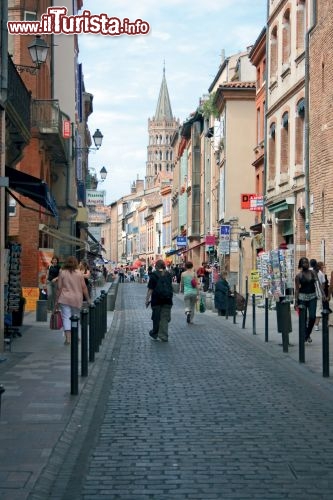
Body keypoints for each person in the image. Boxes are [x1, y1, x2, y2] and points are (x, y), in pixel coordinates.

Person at [56, 256, 91, 345]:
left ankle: (68, 339)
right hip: (76, 298)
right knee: (76, 318)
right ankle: (76, 336)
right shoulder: (79, 273)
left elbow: (59, 288)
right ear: (76, 263)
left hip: (65, 298)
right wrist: (88, 299)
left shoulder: (62, 272)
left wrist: (56, 301)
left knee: (66, 317)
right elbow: (84, 287)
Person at [145, 259, 173, 342]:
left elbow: (150, 289)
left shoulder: (153, 275)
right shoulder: (168, 274)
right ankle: (163, 335)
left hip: (156, 300)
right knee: (164, 318)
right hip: (167, 300)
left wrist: (147, 300)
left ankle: (155, 333)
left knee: (156, 318)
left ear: (156, 266)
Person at [294, 257, 319, 343]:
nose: (306, 264)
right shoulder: (298, 276)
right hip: (302, 298)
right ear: (301, 264)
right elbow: (297, 289)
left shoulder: (313, 273)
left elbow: (318, 284)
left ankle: (307, 334)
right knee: (303, 319)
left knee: (312, 317)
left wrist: (323, 294)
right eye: (304, 263)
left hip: (312, 297)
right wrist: (296, 301)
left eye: (307, 262)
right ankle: (307, 336)